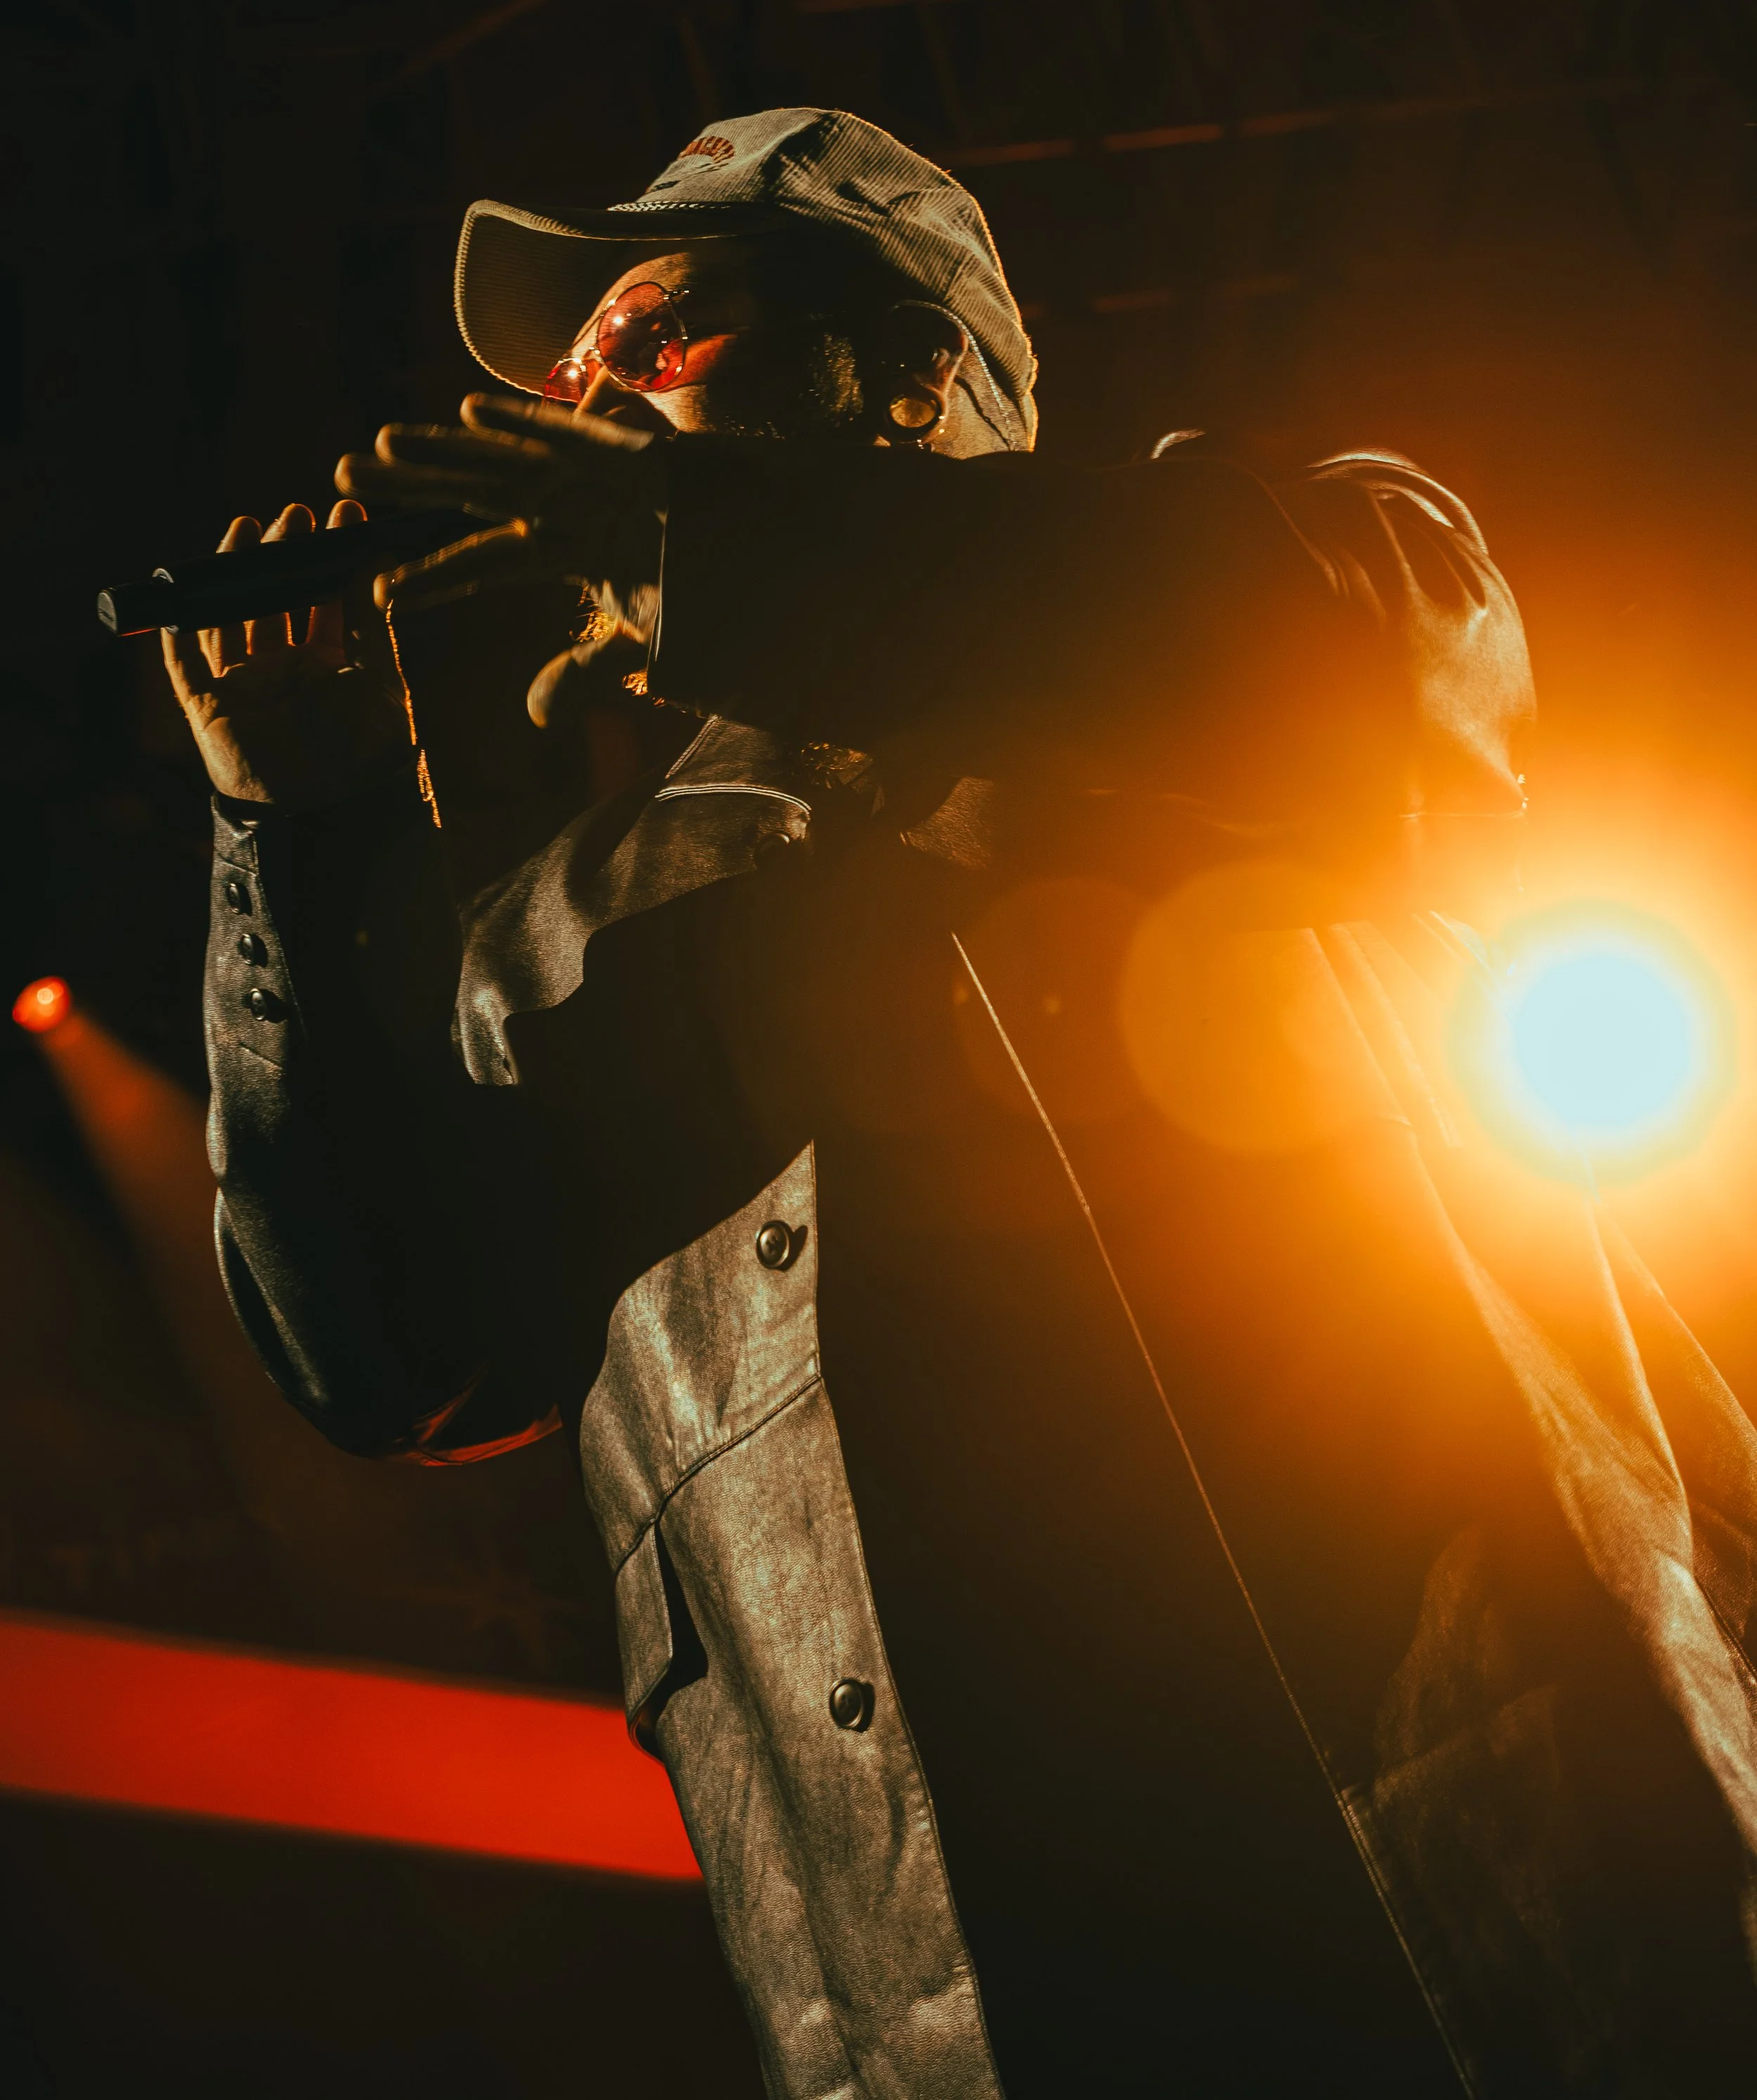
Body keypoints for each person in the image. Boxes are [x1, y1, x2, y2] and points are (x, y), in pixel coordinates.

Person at [164, 109, 1757, 2096]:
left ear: (903, 368)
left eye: (644, 335)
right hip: (957, 1992)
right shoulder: (560, 938)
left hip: (1486, 1879)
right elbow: (382, 1349)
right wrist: (288, 837)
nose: (583, 398)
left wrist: (685, 546)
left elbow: (1294, 639)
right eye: (570, 379)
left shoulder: (1293, 564)